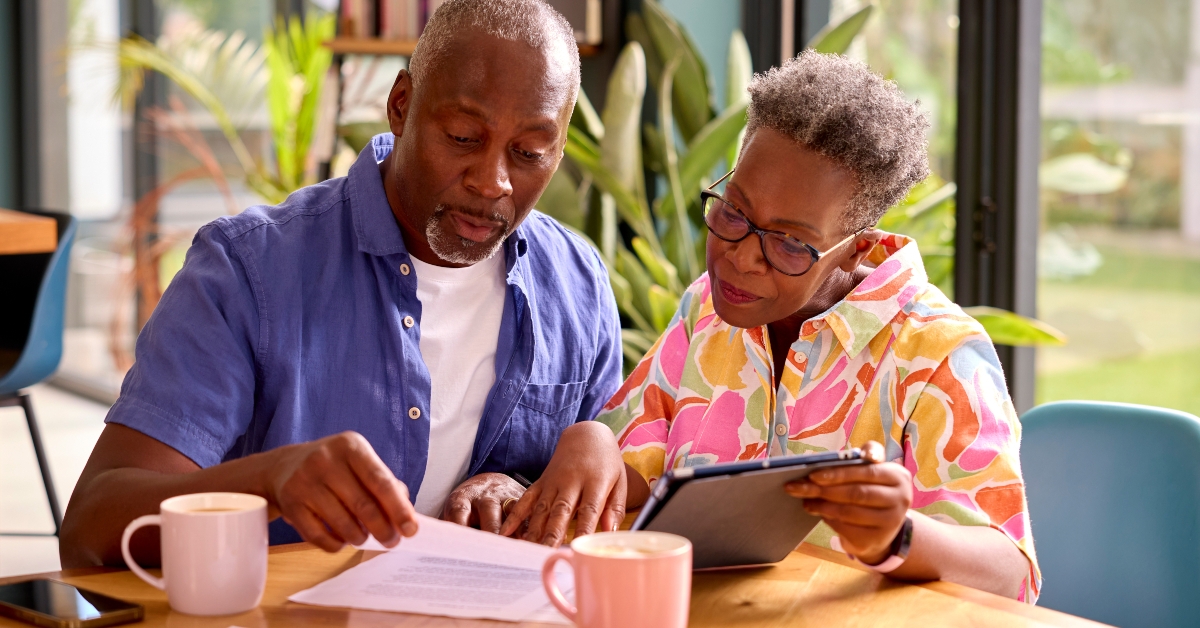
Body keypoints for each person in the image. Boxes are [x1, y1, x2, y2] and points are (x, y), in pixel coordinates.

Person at [60, 0, 622, 568]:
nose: (492, 181)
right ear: (401, 106)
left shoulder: (576, 281)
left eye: (529, 153)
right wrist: (267, 482)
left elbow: (605, 500)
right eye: (461, 137)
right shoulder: (248, 271)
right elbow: (90, 532)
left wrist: (526, 483)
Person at [501, 50, 1041, 602]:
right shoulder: (706, 311)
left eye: (789, 242)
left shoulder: (939, 353)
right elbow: (634, 464)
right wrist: (593, 439)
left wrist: (897, 535)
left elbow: (1009, 572)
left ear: (858, 250)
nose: (741, 258)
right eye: (734, 212)